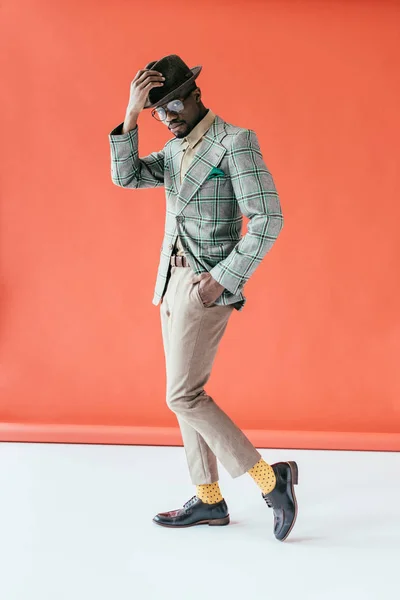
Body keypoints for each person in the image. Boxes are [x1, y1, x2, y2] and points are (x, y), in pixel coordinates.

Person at [108, 54, 298, 541]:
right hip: (169, 284)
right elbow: (125, 176)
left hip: (203, 286)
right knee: (184, 398)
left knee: (182, 394)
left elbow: (268, 219)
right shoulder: (173, 150)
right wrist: (131, 116)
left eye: (172, 103)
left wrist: (221, 280)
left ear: (195, 94)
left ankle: (268, 480)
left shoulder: (234, 142)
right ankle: (209, 499)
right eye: (157, 112)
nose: (167, 117)